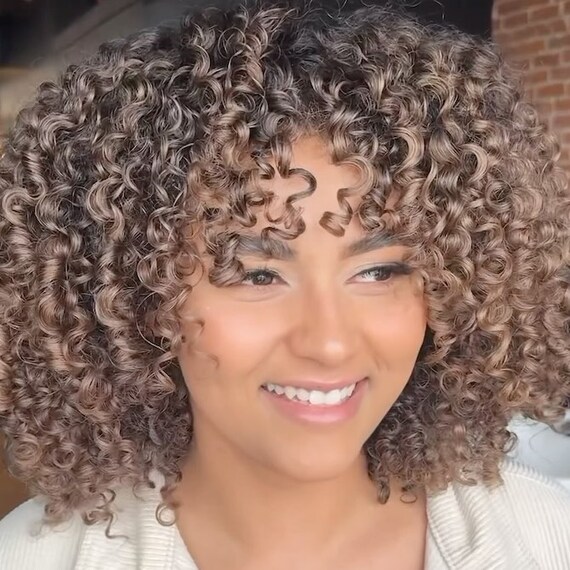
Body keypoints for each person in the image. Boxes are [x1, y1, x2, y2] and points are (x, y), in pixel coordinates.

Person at [0, 2, 569, 568]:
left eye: (379, 271)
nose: (330, 343)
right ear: (139, 300)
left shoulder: (547, 538)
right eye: (256, 274)